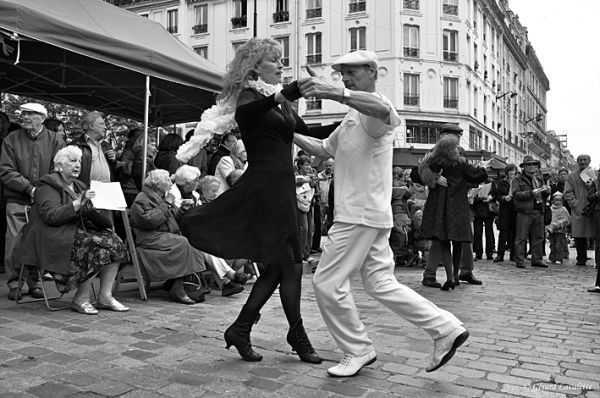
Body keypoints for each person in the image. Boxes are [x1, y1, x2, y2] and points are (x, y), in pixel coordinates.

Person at [293, 50, 469, 377]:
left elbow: (382, 109)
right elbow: (321, 149)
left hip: (357, 214)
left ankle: (357, 349)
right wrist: (282, 129)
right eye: (342, 74)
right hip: (367, 214)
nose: (345, 78)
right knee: (380, 283)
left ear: (372, 71)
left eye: (351, 72)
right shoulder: (351, 116)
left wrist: (334, 92)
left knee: (327, 282)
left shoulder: (372, 106)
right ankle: (446, 328)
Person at [179, 38, 325, 364]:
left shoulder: (281, 104)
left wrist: (356, 118)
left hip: (282, 188)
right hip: (265, 188)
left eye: (281, 60)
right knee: (292, 264)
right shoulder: (250, 95)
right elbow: (246, 114)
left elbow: (313, 133)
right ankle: (296, 335)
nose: (282, 65)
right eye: (276, 60)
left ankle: (242, 328)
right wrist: (283, 94)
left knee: (279, 266)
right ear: (257, 65)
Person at [17, 146, 129, 314]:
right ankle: (81, 299)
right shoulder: (47, 184)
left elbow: (89, 213)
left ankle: (105, 296)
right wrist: (77, 204)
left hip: (74, 230)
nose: (77, 165)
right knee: (94, 245)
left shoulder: (79, 185)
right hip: (50, 234)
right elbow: (51, 216)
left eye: (79, 161)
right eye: (72, 161)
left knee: (115, 242)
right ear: (59, 166)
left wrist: (98, 209)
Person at [0, 103, 65, 300]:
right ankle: (14, 283)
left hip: (44, 200)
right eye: (23, 113)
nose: (25, 117)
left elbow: (60, 168)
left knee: (39, 241)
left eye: (31, 114)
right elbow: (6, 170)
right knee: (14, 241)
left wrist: (43, 190)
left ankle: (35, 282)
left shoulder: (55, 140)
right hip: (17, 197)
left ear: (42, 119)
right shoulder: (11, 139)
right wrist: (29, 188)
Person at [414, 134, 488, 290]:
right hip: (456, 208)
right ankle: (453, 276)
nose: (458, 150)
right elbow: (479, 176)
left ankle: (451, 276)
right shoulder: (460, 164)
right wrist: (483, 167)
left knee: (444, 242)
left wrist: (431, 177)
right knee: (457, 242)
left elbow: (417, 172)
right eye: (455, 147)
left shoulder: (433, 161)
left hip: (440, 208)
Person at [130, 169, 208, 304]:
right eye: (167, 180)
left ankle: (179, 285)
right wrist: (166, 204)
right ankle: (177, 286)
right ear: (157, 185)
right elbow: (149, 221)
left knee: (190, 240)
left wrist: (181, 210)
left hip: (164, 235)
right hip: (150, 237)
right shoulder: (142, 198)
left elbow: (171, 221)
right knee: (183, 242)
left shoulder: (161, 197)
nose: (171, 183)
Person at [512, 156, 550, 268]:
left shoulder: (539, 178)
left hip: (538, 210)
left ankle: (537, 259)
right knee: (521, 237)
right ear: (524, 167)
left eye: (534, 164)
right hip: (524, 211)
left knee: (539, 237)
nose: (532, 167)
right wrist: (531, 193)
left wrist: (547, 192)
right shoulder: (517, 179)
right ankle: (519, 260)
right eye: (529, 165)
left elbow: (544, 195)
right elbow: (516, 194)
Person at [564, 155, 596, 266]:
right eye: (580, 160)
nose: (582, 162)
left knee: (596, 234)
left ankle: (598, 260)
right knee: (579, 235)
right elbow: (567, 192)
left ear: (589, 161)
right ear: (577, 162)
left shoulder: (595, 174)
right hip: (579, 209)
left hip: (594, 208)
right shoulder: (571, 176)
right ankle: (581, 258)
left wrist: (593, 186)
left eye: (585, 160)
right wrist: (575, 204)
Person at [492, 164, 518, 263]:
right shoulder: (502, 183)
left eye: (514, 170)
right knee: (503, 233)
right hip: (505, 209)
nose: (512, 172)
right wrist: (504, 198)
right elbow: (497, 195)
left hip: (515, 208)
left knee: (514, 233)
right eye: (510, 171)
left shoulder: (517, 181)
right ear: (507, 172)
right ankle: (500, 255)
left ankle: (513, 255)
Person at [546, 192, 570, 264]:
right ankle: (552, 257)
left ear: (562, 201)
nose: (558, 202)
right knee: (552, 245)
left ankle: (559, 258)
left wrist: (558, 225)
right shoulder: (550, 209)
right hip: (551, 230)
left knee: (559, 245)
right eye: (556, 200)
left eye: (559, 200)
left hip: (560, 231)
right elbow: (547, 219)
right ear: (553, 200)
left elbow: (566, 219)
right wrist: (549, 227)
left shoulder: (563, 209)